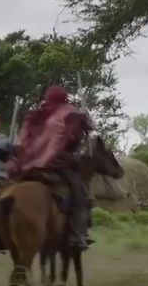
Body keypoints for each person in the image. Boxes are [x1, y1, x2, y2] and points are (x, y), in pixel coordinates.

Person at [8, 86, 96, 251]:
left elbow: (21, 142)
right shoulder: (70, 112)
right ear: (65, 98)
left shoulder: (37, 115)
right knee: (79, 199)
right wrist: (84, 122)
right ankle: (77, 236)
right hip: (58, 163)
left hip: (30, 165)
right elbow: (75, 136)